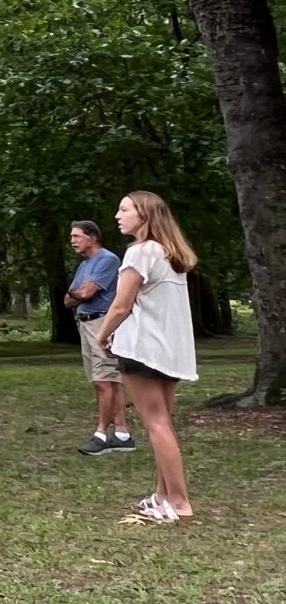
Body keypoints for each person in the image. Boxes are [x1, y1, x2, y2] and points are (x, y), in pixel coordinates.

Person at [98, 191, 200, 522]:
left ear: (145, 215)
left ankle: (180, 502)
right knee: (163, 425)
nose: (118, 214)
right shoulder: (171, 255)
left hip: (142, 349)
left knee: (156, 424)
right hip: (170, 351)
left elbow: (121, 305)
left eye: (124, 209)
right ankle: (163, 494)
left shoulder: (140, 252)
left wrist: (102, 335)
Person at [63, 220, 134, 456]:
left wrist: (80, 294)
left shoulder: (107, 259)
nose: (72, 240)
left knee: (105, 380)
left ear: (92, 237)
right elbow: (68, 300)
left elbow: (85, 293)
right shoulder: (85, 265)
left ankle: (101, 434)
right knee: (106, 381)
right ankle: (123, 435)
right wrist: (79, 294)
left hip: (103, 323)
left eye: (77, 236)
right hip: (86, 323)